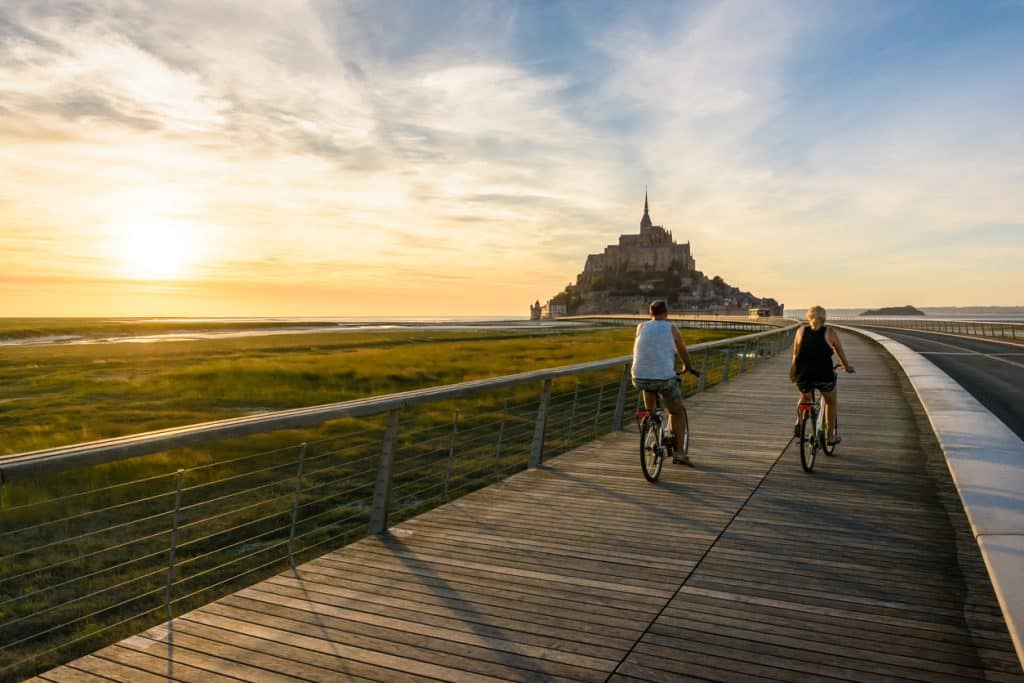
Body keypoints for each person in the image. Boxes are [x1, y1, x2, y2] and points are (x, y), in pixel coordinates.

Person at [631, 300, 696, 465]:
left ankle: (651, 418)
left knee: (648, 385)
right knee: (676, 411)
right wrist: (687, 366)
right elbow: (681, 350)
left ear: (649, 314)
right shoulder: (671, 328)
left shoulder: (641, 327)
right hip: (664, 379)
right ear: (666, 313)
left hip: (639, 377)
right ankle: (680, 453)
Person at [790, 305, 855, 445]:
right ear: (824, 318)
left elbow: (795, 355)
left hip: (803, 375)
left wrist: (795, 373)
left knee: (805, 397)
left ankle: (799, 421)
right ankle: (830, 436)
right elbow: (840, 352)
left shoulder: (800, 331)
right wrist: (846, 366)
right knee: (831, 402)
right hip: (823, 375)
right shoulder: (830, 332)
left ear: (809, 317)